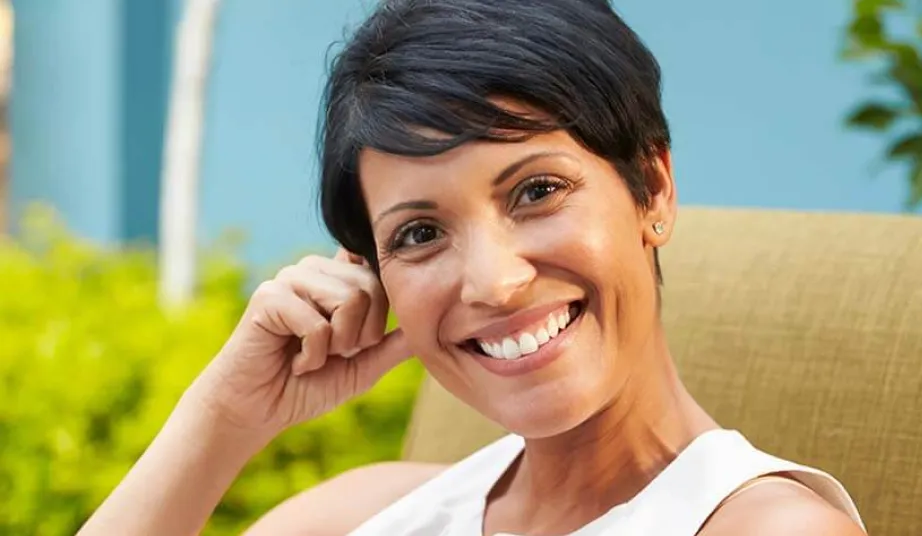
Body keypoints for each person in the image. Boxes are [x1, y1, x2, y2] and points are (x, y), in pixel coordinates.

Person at [79, 0, 867, 534]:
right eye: (420, 233)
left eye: (537, 190)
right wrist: (225, 420)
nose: (493, 282)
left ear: (652, 186)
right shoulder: (370, 509)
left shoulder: (765, 526)